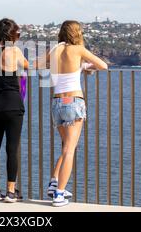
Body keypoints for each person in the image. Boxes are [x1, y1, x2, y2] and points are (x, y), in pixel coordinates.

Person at [43, 20, 108, 207]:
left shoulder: (56, 50)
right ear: (77, 33)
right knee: (70, 149)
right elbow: (103, 65)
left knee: (66, 146)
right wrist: (88, 66)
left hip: (57, 102)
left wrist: (81, 67)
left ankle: (54, 181)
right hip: (73, 102)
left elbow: (42, 65)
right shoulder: (78, 49)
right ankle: (59, 195)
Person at [0, 18, 29, 203]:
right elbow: (28, 65)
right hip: (12, 105)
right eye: (17, 34)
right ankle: (11, 192)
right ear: (11, 35)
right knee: (12, 149)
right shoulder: (15, 51)